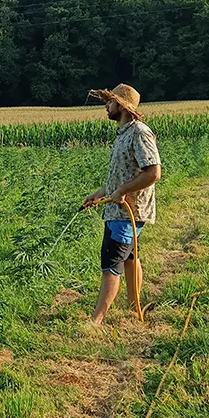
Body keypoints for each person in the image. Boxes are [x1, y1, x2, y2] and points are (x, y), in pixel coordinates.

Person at [81, 83, 162, 325]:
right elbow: (121, 176)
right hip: (118, 210)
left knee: (111, 265)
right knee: (130, 259)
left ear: (122, 106)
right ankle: (133, 306)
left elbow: (153, 173)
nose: (106, 106)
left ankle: (95, 322)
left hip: (128, 213)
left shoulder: (139, 132)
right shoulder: (124, 133)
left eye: (110, 102)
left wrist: (124, 191)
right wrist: (99, 193)